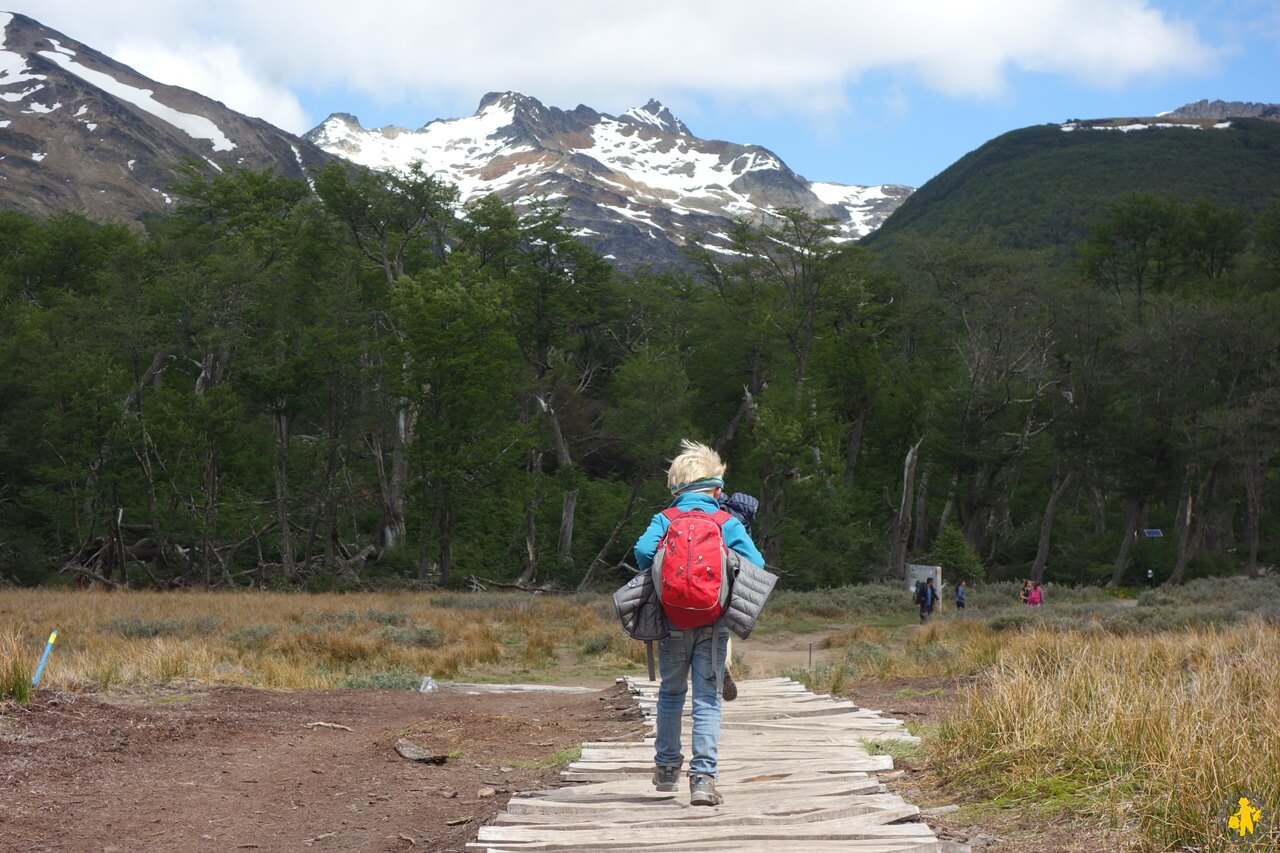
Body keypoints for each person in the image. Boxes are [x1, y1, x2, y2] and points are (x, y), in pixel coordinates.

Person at [633, 439, 765, 807]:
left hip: (672, 621)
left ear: (676, 489)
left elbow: (643, 552)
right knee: (707, 699)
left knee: (671, 694)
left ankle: (665, 768)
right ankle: (703, 780)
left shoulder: (666, 518)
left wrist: (667, 576)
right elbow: (757, 562)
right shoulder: (724, 521)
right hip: (713, 623)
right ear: (717, 489)